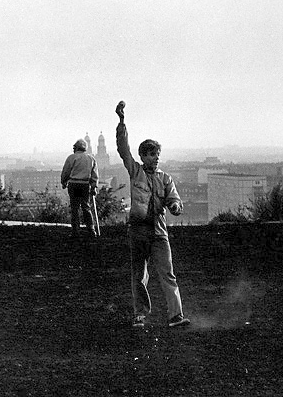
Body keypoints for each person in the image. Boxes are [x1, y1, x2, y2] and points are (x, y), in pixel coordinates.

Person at [114, 101, 190, 328]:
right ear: (142, 156)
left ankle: (176, 316)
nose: (156, 158)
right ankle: (140, 314)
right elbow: (123, 149)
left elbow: (174, 198)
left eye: (157, 154)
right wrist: (121, 121)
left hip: (159, 230)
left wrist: (175, 207)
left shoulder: (165, 178)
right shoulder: (135, 171)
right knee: (139, 275)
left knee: (168, 273)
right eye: (151, 154)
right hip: (138, 230)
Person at [61, 139, 98, 238]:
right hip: (85, 185)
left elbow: (66, 171)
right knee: (86, 207)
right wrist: (94, 187)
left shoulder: (72, 158)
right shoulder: (91, 159)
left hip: (75, 184)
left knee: (75, 208)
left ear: (77, 148)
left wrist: (64, 181)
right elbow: (94, 175)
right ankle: (91, 230)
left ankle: (76, 231)